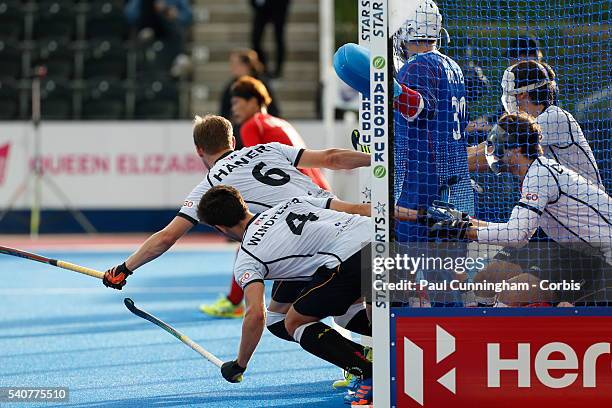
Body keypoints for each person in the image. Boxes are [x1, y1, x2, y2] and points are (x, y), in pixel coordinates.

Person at [102, 114, 372, 334]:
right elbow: (332, 158)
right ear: (232, 140)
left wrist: (125, 268)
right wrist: (378, 159)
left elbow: (166, 238)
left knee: (282, 320)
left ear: (198, 150)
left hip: (310, 243)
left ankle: (365, 362)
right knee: (356, 301)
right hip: (345, 219)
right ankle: (377, 356)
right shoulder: (267, 149)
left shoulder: (209, 187)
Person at [197, 185, 374, 405]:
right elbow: (356, 208)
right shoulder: (290, 203)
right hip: (384, 239)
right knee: (288, 318)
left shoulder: (247, 258)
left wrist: (240, 364)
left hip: (353, 261)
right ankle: (371, 353)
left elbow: (254, 315)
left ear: (220, 228)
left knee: (294, 323)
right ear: (243, 204)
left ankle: (369, 373)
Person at [429, 112, 612, 305]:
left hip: (603, 256)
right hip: (579, 251)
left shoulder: (539, 176)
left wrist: (464, 231)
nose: (493, 152)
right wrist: (467, 222)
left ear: (516, 149)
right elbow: (517, 230)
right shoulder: (534, 172)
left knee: (511, 294)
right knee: (485, 281)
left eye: (499, 146)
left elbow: (517, 236)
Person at [218, 49, 279, 149]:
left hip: (261, 132)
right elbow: (224, 114)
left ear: (246, 65)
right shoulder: (230, 87)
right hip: (237, 136)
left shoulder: (260, 85)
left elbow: (272, 109)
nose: (232, 68)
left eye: (235, 64)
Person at [124, 0, 193, 76]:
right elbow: (129, 15)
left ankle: (174, 66)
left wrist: (176, 15)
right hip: (147, 32)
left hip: (170, 35)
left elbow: (188, 16)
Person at [249, 0, 290, 78]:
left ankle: (278, 70)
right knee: (255, 40)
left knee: (279, 39)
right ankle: (262, 67)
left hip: (278, 6)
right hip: (261, 8)